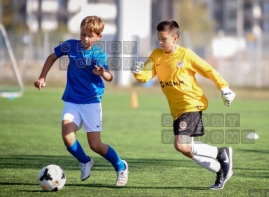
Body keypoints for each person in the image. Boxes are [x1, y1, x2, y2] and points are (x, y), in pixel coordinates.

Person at [131, 20, 235, 190]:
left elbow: (208, 70)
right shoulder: (156, 54)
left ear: (175, 38)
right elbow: (146, 76)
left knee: (181, 144)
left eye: (163, 38)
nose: (160, 42)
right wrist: (137, 73)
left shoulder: (186, 55)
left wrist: (224, 87)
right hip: (176, 110)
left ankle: (221, 153)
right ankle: (220, 170)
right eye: (158, 38)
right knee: (185, 149)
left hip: (191, 104)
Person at [34, 16, 128, 186]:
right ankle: (85, 161)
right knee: (67, 137)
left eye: (90, 35)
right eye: (83, 34)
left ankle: (121, 166)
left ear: (98, 36)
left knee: (96, 145)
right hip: (72, 99)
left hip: (91, 101)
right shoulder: (71, 45)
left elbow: (109, 76)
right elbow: (51, 58)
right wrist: (42, 77)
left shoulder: (98, 53)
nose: (85, 38)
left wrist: (102, 73)